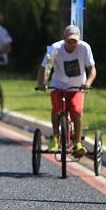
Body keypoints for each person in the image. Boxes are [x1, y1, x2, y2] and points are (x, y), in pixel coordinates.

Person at [36, 25, 96, 157]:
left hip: (77, 87)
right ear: (64, 38)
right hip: (58, 85)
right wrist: (41, 83)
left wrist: (88, 83)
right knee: (57, 110)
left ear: (78, 40)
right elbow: (44, 67)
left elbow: (92, 69)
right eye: (69, 41)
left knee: (76, 110)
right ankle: (55, 139)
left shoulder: (85, 47)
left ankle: (77, 143)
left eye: (75, 41)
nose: (72, 44)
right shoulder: (55, 48)